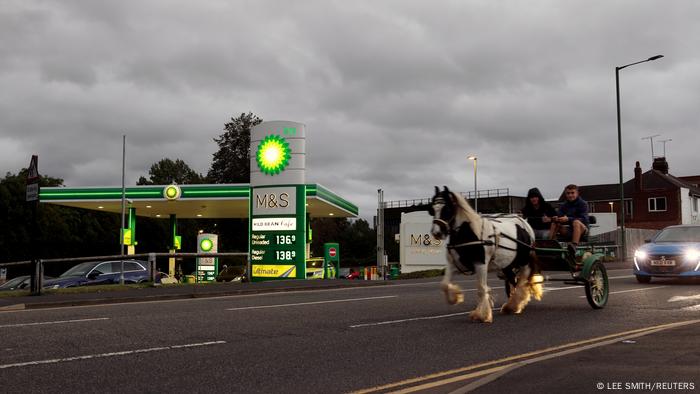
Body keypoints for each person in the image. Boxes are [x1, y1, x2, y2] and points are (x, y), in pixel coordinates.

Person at [549, 184, 590, 257]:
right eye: (568, 193)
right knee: (554, 223)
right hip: (569, 230)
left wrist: (568, 219)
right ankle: (550, 244)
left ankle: (573, 246)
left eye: (572, 193)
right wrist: (555, 218)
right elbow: (559, 216)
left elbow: (584, 219)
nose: (570, 195)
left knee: (576, 222)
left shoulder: (583, 204)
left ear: (577, 193)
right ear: (566, 194)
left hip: (582, 230)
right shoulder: (564, 205)